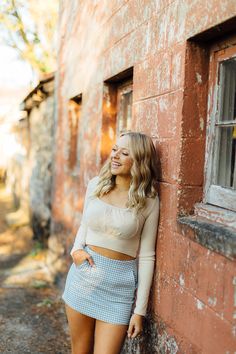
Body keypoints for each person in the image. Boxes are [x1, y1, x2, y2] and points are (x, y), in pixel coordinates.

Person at [62, 131, 160, 354]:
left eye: (124, 153)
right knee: (80, 351)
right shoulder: (97, 185)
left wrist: (140, 311)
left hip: (119, 288)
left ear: (140, 161)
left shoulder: (149, 200)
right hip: (84, 275)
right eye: (115, 149)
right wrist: (76, 250)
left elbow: (147, 256)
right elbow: (84, 223)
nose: (115, 156)